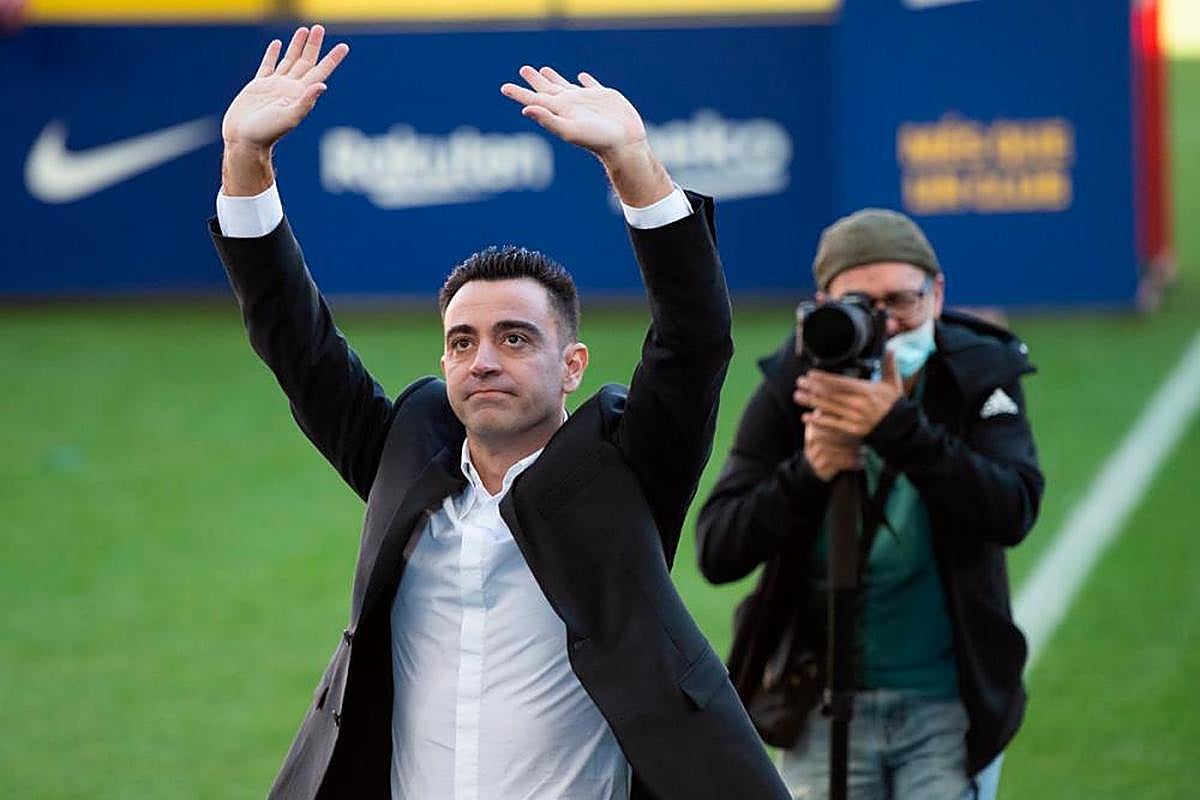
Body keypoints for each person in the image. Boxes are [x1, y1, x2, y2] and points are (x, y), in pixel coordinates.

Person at [211, 24, 789, 800]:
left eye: (516, 338)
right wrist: (248, 159)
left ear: (572, 365)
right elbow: (294, 340)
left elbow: (695, 339)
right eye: (463, 341)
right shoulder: (404, 459)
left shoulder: (628, 471)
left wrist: (633, 165)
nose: (484, 359)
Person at [696, 208, 1044, 800]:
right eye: (862, 306)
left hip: (947, 700)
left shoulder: (977, 374)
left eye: (902, 302)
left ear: (937, 294)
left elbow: (1012, 508)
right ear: (822, 305)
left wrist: (899, 428)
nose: (886, 325)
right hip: (821, 700)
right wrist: (809, 473)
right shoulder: (792, 386)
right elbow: (718, 547)